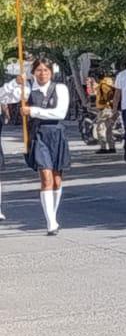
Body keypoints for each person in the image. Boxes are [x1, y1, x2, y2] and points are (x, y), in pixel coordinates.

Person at [21, 58, 70, 235]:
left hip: (56, 134)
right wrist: (16, 83)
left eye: (45, 70)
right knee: (46, 177)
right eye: (39, 70)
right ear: (33, 72)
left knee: (57, 180)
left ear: (51, 72)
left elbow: (60, 112)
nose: (42, 73)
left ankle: (54, 215)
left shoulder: (60, 88)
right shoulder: (27, 89)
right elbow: (6, 95)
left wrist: (33, 111)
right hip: (38, 135)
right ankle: (51, 223)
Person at [93, 66, 118, 153]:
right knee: (109, 128)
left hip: (104, 109)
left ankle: (103, 147)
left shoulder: (103, 85)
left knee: (100, 128)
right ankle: (112, 147)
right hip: (109, 108)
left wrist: (105, 102)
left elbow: (110, 94)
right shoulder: (108, 83)